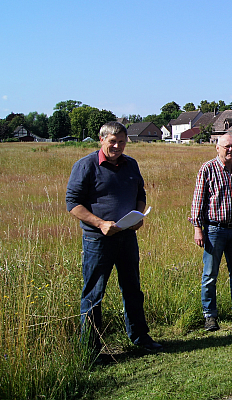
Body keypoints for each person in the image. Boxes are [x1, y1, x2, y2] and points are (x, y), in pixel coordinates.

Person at [66, 121, 162, 352]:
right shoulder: (86, 165)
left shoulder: (131, 165)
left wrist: (139, 215)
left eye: (121, 142)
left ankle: (140, 338)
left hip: (127, 236)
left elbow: (141, 193)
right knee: (93, 294)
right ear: (102, 140)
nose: (117, 146)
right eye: (112, 142)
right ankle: (90, 350)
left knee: (132, 289)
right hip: (97, 240)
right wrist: (100, 223)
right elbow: (72, 204)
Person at [191, 134, 232, 332]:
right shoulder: (207, 169)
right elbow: (198, 200)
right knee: (210, 275)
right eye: (227, 146)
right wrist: (197, 228)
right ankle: (210, 316)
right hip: (214, 230)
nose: (231, 150)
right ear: (217, 148)